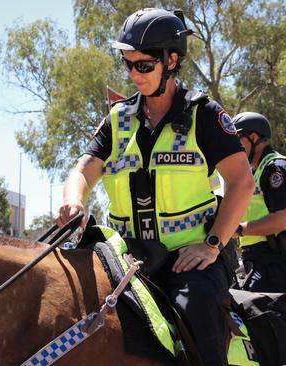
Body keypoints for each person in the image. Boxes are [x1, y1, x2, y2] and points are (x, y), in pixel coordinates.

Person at [55, 8, 254, 366]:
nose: (134, 74)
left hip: (190, 261)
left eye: (143, 65)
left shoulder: (205, 115)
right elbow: (83, 169)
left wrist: (212, 245)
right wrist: (73, 200)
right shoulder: (117, 120)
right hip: (125, 257)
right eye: (127, 64)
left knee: (197, 315)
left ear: (172, 60)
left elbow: (241, 181)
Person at [232, 112, 286, 293]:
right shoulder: (255, 172)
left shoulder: (276, 168)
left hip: (277, 261)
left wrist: (239, 229)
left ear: (254, 138)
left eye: (237, 140)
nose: (233, 147)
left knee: (252, 308)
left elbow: (282, 219)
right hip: (256, 258)